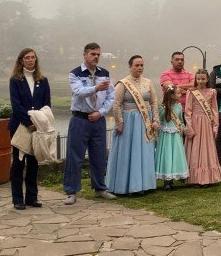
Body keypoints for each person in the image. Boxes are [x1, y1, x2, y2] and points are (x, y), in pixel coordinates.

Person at [63, 43, 116, 205]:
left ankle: (100, 188)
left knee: (99, 155)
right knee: (75, 156)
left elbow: (111, 96)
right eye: (93, 54)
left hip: (98, 119)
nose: (96, 57)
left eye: (98, 54)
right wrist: (96, 88)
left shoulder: (104, 73)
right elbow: (78, 91)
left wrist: (100, 113)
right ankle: (71, 191)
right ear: (85, 55)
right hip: (80, 119)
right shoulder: (75, 74)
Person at [106, 55, 160, 195]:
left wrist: (155, 120)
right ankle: (127, 186)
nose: (140, 68)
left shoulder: (148, 82)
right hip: (129, 122)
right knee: (129, 153)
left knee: (144, 152)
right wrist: (119, 122)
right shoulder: (122, 84)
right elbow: (116, 104)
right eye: (137, 65)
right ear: (130, 67)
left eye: (142, 65)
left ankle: (144, 185)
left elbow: (154, 102)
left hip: (144, 121)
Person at [8, 48, 52, 210]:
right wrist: (29, 122)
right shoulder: (15, 80)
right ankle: (17, 199)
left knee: (34, 163)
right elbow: (16, 106)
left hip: (38, 128)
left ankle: (31, 197)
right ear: (21, 60)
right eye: (27, 58)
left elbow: (46, 104)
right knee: (18, 164)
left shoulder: (43, 80)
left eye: (33, 57)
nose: (31, 60)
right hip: (20, 126)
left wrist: (39, 123)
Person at [185, 69, 221, 186]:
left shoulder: (212, 92)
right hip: (195, 123)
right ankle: (194, 178)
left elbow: (214, 111)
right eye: (198, 79)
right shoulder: (191, 92)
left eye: (203, 79)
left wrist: (215, 126)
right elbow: (188, 111)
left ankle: (207, 178)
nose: (200, 81)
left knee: (207, 149)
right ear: (196, 79)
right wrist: (189, 126)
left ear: (207, 79)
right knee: (195, 149)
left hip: (207, 124)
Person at [155, 85, 188, 190]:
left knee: (175, 156)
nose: (180, 94)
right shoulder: (163, 107)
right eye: (178, 93)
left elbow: (181, 120)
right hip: (166, 136)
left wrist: (182, 128)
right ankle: (167, 181)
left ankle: (172, 179)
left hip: (176, 135)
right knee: (167, 156)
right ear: (172, 95)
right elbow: (159, 120)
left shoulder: (179, 106)